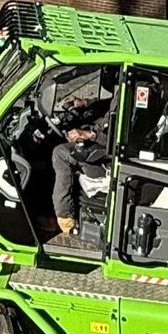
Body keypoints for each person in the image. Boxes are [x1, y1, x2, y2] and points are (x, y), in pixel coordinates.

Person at [50, 96, 111, 235]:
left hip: (105, 157)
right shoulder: (129, 90)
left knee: (60, 153)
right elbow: (111, 103)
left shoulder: (135, 96)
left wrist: (89, 134)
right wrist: (85, 103)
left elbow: (117, 139)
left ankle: (65, 217)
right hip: (101, 142)